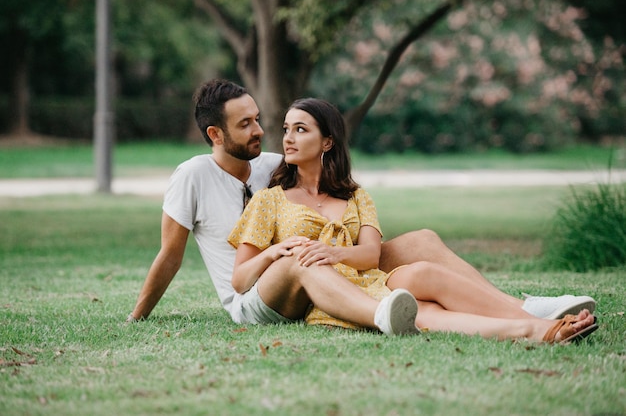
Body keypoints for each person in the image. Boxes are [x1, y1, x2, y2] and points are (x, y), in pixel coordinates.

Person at [127, 79, 595, 337]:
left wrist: (340, 232)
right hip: (255, 293)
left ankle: (526, 308)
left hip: (327, 268)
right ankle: (382, 315)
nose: (265, 132)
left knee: (421, 242)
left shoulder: (275, 163)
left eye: (260, 120)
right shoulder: (192, 176)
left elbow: (332, 195)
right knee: (300, 257)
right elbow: (171, 255)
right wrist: (138, 317)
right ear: (216, 134)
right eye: (246, 124)